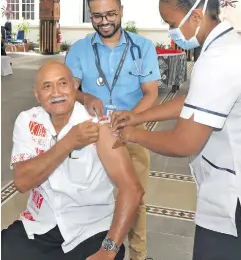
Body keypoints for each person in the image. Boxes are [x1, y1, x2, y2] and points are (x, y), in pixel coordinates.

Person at [111, 0, 241, 260]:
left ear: (195, 17)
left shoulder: (221, 59)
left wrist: (132, 134)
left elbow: (185, 142)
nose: (171, 32)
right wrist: (139, 116)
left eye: (171, 23)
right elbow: (193, 100)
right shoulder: (220, 47)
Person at [1, 61, 144, 260]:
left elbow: (132, 189)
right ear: (37, 95)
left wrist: (108, 250)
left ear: (75, 87)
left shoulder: (99, 126)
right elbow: (22, 181)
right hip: (40, 225)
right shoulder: (28, 121)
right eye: (47, 86)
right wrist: (69, 142)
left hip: (91, 230)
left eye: (63, 83)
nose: (56, 92)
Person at [65, 0, 161, 260]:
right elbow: (69, 89)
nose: (104, 21)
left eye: (110, 14)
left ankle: (138, 255)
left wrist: (132, 120)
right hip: (91, 134)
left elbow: (151, 93)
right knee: (92, 196)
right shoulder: (80, 49)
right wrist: (84, 97)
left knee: (135, 197)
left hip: (130, 133)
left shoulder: (142, 48)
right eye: (97, 16)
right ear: (90, 16)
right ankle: (100, 250)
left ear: (121, 12)